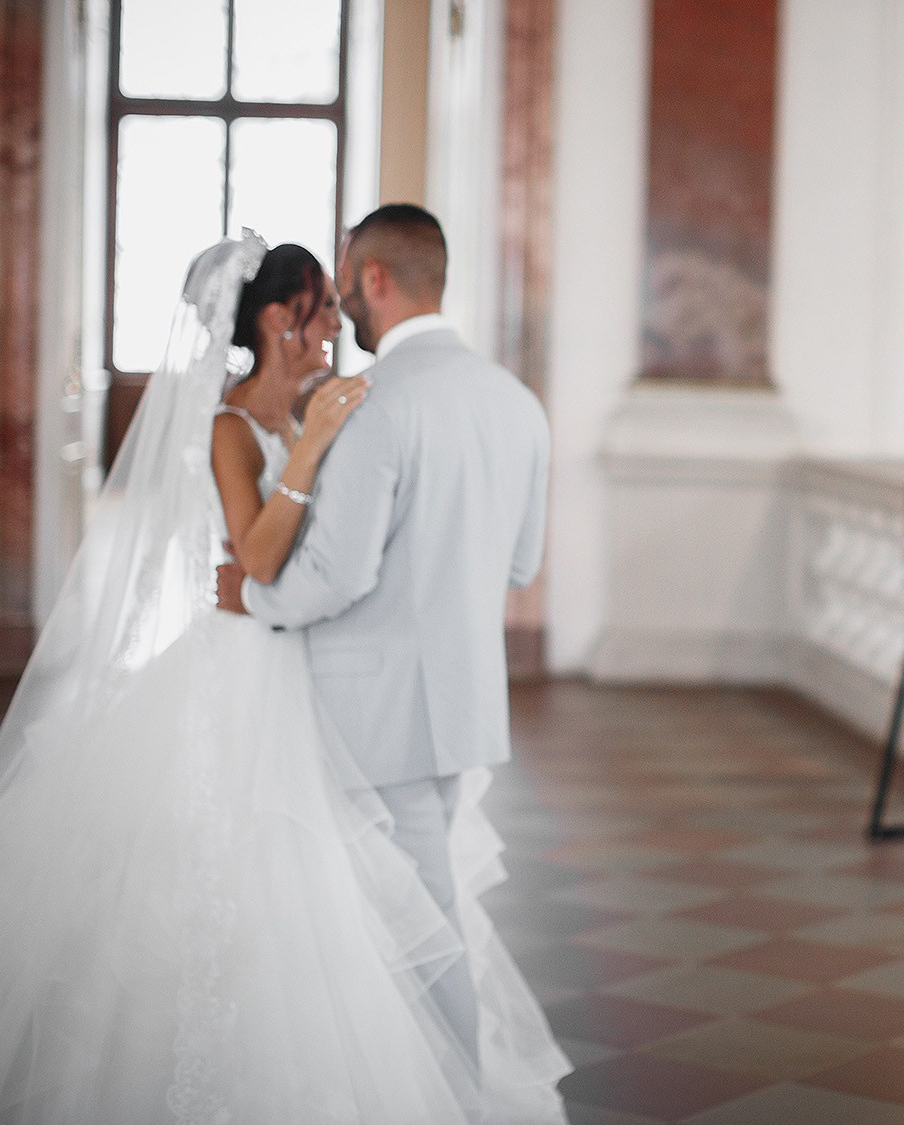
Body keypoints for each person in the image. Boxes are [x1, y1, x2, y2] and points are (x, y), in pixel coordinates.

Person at [0, 232, 566, 1123]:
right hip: (254, 674)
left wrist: (301, 482)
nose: (334, 323)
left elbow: (284, 572)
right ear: (277, 319)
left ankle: (410, 1076)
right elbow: (261, 555)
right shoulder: (238, 425)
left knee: (335, 888)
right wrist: (309, 463)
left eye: (338, 300)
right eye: (320, 307)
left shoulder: (324, 411)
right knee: (258, 877)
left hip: (297, 665)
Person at [215, 203, 557, 1109]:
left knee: (418, 928)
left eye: (345, 287)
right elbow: (520, 564)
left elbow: (335, 576)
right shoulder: (518, 403)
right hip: (463, 702)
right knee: (403, 915)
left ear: (374, 278)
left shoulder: (372, 405)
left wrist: (251, 597)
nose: (342, 313)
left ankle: (455, 1101)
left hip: (372, 710)